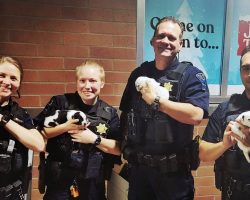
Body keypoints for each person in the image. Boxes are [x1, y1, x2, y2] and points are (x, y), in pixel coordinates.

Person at [119, 16, 209, 200]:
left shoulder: (192, 75)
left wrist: (158, 102)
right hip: (140, 173)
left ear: (180, 44)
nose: (166, 42)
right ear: (153, 41)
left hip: (173, 177)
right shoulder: (139, 74)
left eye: (172, 38)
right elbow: (126, 114)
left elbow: (196, 114)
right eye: (161, 36)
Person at [34, 60, 122, 200]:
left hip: (92, 184)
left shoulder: (109, 113)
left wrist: (94, 139)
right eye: (82, 81)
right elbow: (39, 132)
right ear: (77, 82)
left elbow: (118, 148)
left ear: (102, 84)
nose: (87, 86)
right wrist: (65, 127)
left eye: (93, 81)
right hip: (59, 182)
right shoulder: (60, 102)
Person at [199, 46, 250, 200]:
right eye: (246, 68)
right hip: (233, 193)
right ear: (241, 72)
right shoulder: (225, 110)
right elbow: (202, 153)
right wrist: (224, 145)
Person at [0, 56, 45, 200]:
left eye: (13, 78)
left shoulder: (20, 114)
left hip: (9, 193)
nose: (7, 82)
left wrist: (2, 119)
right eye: (2, 75)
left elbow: (38, 144)